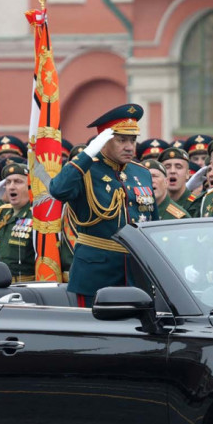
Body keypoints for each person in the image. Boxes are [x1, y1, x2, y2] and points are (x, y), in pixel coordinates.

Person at [49, 104, 158, 305]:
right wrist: (87, 155)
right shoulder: (86, 170)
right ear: (104, 142)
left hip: (137, 273)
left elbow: (153, 222)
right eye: (121, 140)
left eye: (133, 140)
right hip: (96, 274)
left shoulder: (141, 173)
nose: (129, 146)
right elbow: (58, 190)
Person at [0, 162, 37, 280]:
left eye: (18, 182)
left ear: (30, 185)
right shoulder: (3, 213)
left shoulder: (36, 215)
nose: (11, 187)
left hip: (24, 285)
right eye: (8, 182)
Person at [159, 144, 197, 214]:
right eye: (167, 167)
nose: (172, 171)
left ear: (187, 174)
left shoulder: (197, 205)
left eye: (178, 167)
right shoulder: (155, 206)